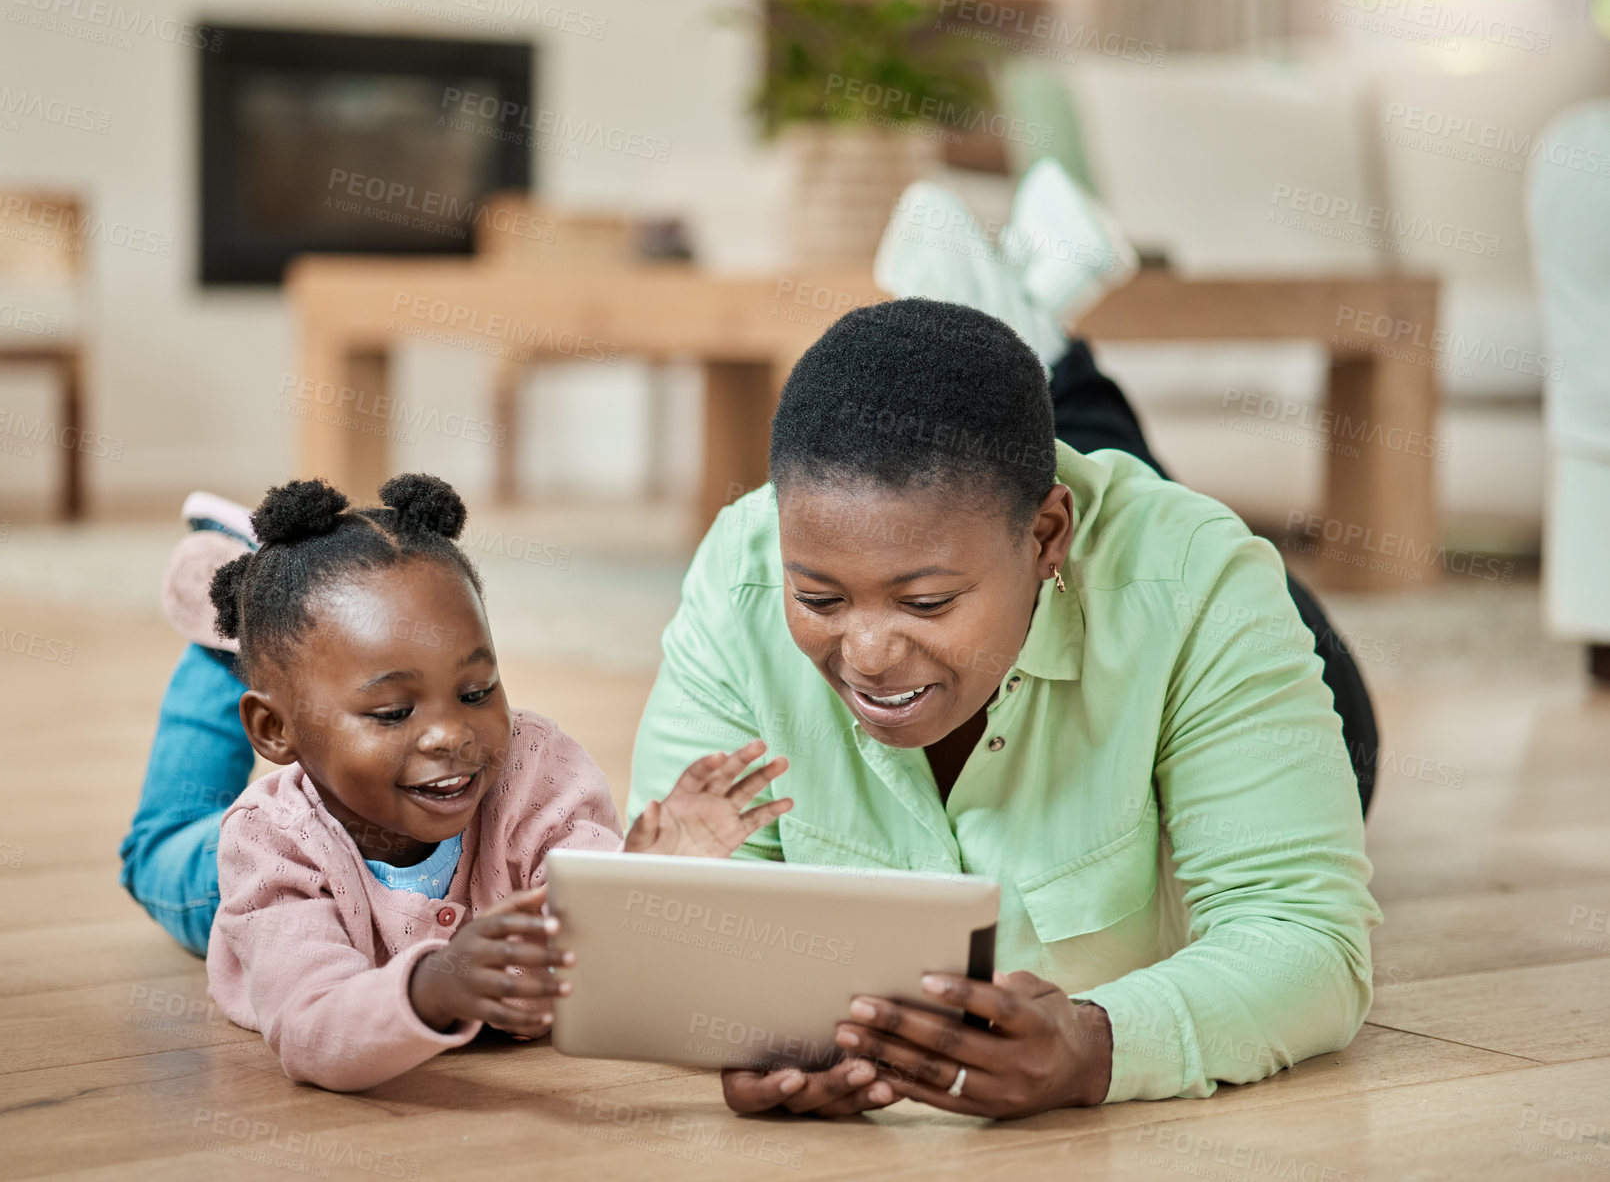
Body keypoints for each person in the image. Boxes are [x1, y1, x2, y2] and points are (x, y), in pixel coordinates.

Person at [628, 295, 1383, 1119]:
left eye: (924, 603)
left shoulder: (1202, 588)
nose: (868, 653)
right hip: (1041, 545)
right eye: (821, 597)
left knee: (1110, 449)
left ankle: (1051, 330)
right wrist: (745, 1024)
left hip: (1208, 623)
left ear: (1047, 533)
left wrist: (1095, 1044)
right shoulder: (738, 575)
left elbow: (1308, 936)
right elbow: (674, 912)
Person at [119, 472, 790, 1091]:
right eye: (392, 711)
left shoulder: (538, 771)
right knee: (160, 846)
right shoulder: (265, 846)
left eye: (475, 690)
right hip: (247, 888)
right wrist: (434, 984)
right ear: (272, 731)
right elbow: (311, 1026)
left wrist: (648, 877)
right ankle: (222, 624)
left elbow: (593, 943)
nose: (451, 734)